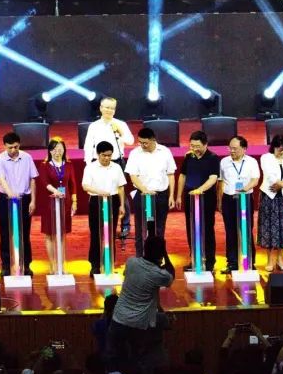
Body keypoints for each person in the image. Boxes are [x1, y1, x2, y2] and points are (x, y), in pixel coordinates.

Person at [107, 236, 175, 373]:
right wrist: (165, 255)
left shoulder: (131, 262)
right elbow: (170, 273)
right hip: (138, 324)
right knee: (137, 365)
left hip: (118, 319)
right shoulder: (158, 274)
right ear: (161, 254)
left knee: (114, 363)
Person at [83, 97, 134, 238]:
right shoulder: (94, 126)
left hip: (116, 162)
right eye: (106, 107)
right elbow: (88, 146)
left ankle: (125, 224)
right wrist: (89, 164)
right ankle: (99, 222)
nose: (109, 110)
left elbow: (130, 141)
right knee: (98, 192)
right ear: (101, 108)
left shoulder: (120, 124)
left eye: (112, 108)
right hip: (98, 163)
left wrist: (120, 132)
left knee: (121, 192)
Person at [124, 127, 177, 257]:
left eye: (145, 143)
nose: (142, 145)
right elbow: (133, 176)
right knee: (140, 228)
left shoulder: (165, 152)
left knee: (159, 228)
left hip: (161, 195)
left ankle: (158, 258)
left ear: (153, 140)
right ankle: (140, 257)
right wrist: (145, 190)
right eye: (140, 142)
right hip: (142, 195)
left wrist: (171, 195)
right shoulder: (135, 153)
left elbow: (170, 175)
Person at [0, 131, 39, 277]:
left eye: (16, 147)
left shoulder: (27, 157)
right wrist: (10, 194)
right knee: (6, 234)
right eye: (10, 148)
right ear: (4, 146)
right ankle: (6, 265)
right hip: (6, 200)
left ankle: (26, 265)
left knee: (24, 234)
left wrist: (33, 200)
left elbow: (33, 179)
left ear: (19, 145)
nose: (13, 150)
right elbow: (1, 179)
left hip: (24, 199)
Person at [175, 130, 220, 272]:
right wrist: (178, 195)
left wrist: (200, 190)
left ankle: (209, 261)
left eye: (197, 146)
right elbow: (182, 176)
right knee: (192, 229)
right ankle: (195, 259)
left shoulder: (213, 158)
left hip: (206, 199)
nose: (194, 149)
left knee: (207, 229)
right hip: (190, 198)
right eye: (192, 146)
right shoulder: (189, 157)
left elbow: (213, 178)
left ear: (205, 144)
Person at [81, 141, 128, 275]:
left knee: (110, 233)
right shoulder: (90, 167)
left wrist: (122, 204)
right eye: (104, 155)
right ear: (98, 154)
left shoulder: (116, 167)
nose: (107, 158)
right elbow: (85, 186)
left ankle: (109, 262)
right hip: (96, 201)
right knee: (96, 234)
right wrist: (100, 192)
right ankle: (95, 265)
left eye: (109, 155)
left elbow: (121, 187)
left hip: (113, 200)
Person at [218, 136, 261, 274]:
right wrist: (219, 201)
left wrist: (245, 189)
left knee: (246, 230)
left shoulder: (252, 162)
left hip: (245, 199)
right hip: (229, 199)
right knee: (230, 232)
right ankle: (232, 263)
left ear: (244, 149)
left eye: (235, 149)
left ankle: (249, 262)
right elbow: (220, 182)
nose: (232, 151)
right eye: (230, 148)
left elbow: (255, 179)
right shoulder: (224, 162)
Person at [34, 137, 79, 269]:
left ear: (64, 150)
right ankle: (52, 264)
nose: (57, 152)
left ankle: (61, 263)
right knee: (50, 234)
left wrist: (74, 202)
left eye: (60, 149)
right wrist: (56, 191)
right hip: (50, 203)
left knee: (62, 234)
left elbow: (73, 184)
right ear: (49, 151)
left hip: (65, 203)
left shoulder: (69, 164)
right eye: (54, 149)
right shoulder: (44, 165)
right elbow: (45, 182)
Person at [258, 135, 283, 272]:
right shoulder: (266, 158)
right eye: (279, 149)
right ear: (273, 147)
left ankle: (280, 259)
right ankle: (270, 259)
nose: (282, 152)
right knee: (269, 228)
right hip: (269, 196)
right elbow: (271, 177)